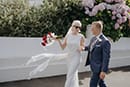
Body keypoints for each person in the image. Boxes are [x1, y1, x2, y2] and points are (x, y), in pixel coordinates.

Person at [54, 20, 85, 87]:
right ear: (72, 26)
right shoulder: (68, 36)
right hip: (69, 58)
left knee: (70, 74)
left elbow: (83, 47)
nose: (78, 29)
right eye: (76, 27)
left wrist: (81, 48)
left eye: (79, 27)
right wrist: (58, 40)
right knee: (72, 74)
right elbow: (63, 47)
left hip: (76, 57)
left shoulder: (81, 36)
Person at [84, 21, 111, 87]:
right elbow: (90, 47)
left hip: (99, 68)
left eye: (93, 28)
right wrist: (83, 48)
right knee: (101, 83)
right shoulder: (93, 38)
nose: (91, 30)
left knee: (92, 84)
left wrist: (103, 71)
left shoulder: (105, 41)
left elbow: (106, 58)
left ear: (98, 29)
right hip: (93, 66)